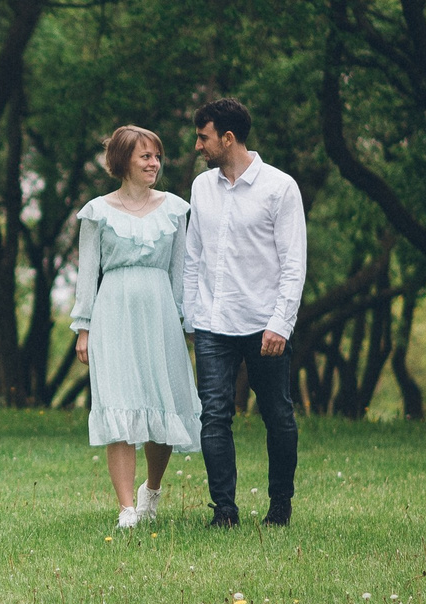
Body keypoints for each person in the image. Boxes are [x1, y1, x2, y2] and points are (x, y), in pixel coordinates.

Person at [182, 97, 306, 526]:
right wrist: (191, 315)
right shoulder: (201, 188)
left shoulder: (280, 187)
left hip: (264, 326)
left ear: (227, 138)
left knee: (277, 415)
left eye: (204, 137)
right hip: (213, 324)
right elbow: (192, 255)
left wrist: (281, 324)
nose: (198, 146)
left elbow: (294, 263)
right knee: (214, 414)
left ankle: (280, 506)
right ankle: (225, 511)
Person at [70, 125, 197, 529]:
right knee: (119, 405)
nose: (154, 163)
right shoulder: (97, 212)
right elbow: (87, 273)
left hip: (159, 313)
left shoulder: (176, 209)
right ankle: (126, 508)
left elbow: (181, 272)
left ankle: (151, 491)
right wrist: (83, 327)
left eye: (157, 156)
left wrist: (185, 323)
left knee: (162, 404)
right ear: (124, 160)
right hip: (114, 314)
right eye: (145, 156)